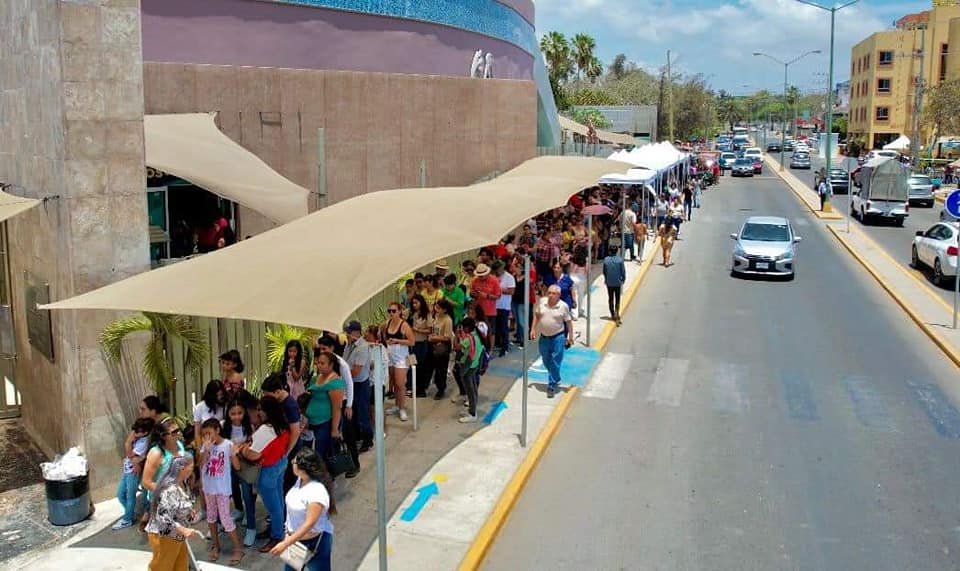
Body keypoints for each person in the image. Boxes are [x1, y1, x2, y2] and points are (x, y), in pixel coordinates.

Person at [238, 395, 291, 553]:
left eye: (261, 409)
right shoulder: (282, 426)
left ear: (268, 411)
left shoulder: (264, 430)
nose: (258, 412)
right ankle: (278, 528)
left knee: (273, 506)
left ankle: (276, 536)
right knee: (279, 500)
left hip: (268, 470)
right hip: (281, 463)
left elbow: (253, 454)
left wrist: (241, 449)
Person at [270, 448, 335, 571]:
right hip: (296, 542)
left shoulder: (316, 491)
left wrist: (285, 543)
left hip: (313, 543)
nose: (291, 462)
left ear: (302, 468)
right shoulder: (301, 480)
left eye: (294, 461)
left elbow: (309, 524)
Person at [145, 454, 202, 571]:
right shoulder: (169, 489)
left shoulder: (183, 484)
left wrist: (189, 513)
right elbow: (163, 518)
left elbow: (180, 505)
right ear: (182, 468)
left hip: (176, 535)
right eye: (191, 465)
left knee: (181, 566)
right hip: (164, 535)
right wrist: (183, 530)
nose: (193, 468)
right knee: (163, 568)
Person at [198, 418, 243, 565]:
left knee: (225, 518)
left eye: (209, 433)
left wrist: (235, 454)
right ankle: (215, 545)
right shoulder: (205, 447)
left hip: (222, 489)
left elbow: (237, 467)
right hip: (208, 488)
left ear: (217, 430)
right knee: (211, 517)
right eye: (204, 435)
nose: (207, 437)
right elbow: (200, 464)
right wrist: (206, 449)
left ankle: (238, 549)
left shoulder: (228, 445)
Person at [222, 399, 258, 547]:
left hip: (244, 466)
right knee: (233, 489)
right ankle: (238, 509)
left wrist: (243, 446)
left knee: (248, 495)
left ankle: (251, 527)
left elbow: (254, 444)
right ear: (228, 414)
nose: (236, 417)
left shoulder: (249, 426)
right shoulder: (223, 426)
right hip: (228, 466)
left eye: (240, 413)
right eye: (233, 414)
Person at [140, 417, 187, 532]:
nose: (179, 433)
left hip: (176, 499)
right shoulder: (156, 453)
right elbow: (146, 482)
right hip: (160, 501)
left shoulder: (179, 446)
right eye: (174, 432)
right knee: (166, 539)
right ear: (163, 435)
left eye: (178, 430)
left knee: (179, 538)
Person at [530, 285, 574, 399]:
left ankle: (551, 385)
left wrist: (570, 337)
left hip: (558, 337)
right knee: (546, 359)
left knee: (555, 361)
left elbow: (568, 322)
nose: (550, 295)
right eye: (549, 292)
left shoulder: (563, 306)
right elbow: (537, 315)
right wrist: (533, 329)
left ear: (558, 295)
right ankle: (556, 375)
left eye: (553, 293)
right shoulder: (542, 302)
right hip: (544, 337)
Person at [113, 417, 155, 530]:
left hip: (132, 471)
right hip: (128, 469)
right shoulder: (138, 435)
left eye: (138, 432)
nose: (135, 433)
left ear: (145, 432)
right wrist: (130, 451)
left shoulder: (143, 442)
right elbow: (129, 450)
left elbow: (131, 453)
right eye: (135, 431)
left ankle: (127, 519)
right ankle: (130, 514)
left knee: (129, 496)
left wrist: (129, 447)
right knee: (120, 494)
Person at [305, 352, 345, 461]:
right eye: (318, 363)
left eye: (322, 363)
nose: (319, 365)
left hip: (326, 422)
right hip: (314, 422)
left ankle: (324, 476)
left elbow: (337, 408)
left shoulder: (335, 382)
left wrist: (334, 429)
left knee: (321, 453)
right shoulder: (318, 377)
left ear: (331, 365)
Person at [343, 321, 373, 454]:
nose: (347, 335)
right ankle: (357, 436)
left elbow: (356, 371)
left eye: (349, 332)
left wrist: (342, 372)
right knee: (353, 412)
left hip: (360, 384)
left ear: (356, 332)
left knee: (362, 412)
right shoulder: (348, 345)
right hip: (350, 383)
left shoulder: (362, 347)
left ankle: (368, 439)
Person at [382, 302, 414, 421]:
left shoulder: (404, 325)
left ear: (400, 311)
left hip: (401, 356)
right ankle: (396, 405)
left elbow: (412, 341)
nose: (391, 313)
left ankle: (402, 408)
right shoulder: (387, 323)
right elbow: (383, 335)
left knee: (400, 384)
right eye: (389, 311)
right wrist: (388, 341)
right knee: (394, 382)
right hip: (390, 355)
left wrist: (397, 340)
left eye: (394, 311)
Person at [426, 299, 455, 401]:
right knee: (432, 367)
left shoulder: (447, 320)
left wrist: (435, 338)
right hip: (434, 345)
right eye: (436, 307)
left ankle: (441, 389)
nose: (436, 309)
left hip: (442, 347)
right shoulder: (437, 317)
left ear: (445, 310)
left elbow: (447, 337)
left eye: (439, 308)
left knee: (441, 370)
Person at [455, 318, 483, 423]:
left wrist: (457, 336)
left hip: (468, 365)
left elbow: (457, 347)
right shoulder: (477, 335)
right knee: (473, 388)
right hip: (475, 364)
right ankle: (472, 409)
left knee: (470, 390)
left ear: (466, 327)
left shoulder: (468, 339)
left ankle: (472, 413)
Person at [408, 295, 433, 398]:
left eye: (416, 303)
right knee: (412, 365)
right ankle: (413, 387)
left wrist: (417, 330)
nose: (414, 305)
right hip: (412, 343)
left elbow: (429, 330)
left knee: (420, 367)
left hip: (421, 343)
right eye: (413, 303)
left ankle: (421, 389)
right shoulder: (412, 314)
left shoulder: (426, 314)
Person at [492, 260, 515, 357]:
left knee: (503, 327)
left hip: (504, 305)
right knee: (495, 326)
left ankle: (505, 346)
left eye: (498, 270)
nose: (497, 272)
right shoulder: (493, 277)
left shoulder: (509, 277)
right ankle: (497, 343)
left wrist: (499, 290)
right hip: (494, 305)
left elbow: (511, 291)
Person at [192, 380, 225, 445]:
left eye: (221, 395)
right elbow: (197, 433)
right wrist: (200, 449)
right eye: (216, 396)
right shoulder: (199, 407)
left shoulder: (224, 406)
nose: (219, 398)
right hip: (206, 442)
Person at [469, 264, 501, 330]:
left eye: (482, 276)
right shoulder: (474, 280)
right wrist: (473, 294)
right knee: (478, 330)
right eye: (479, 276)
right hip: (478, 310)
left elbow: (498, 296)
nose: (480, 277)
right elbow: (471, 293)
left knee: (491, 331)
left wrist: (487, 296)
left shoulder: (494, 281)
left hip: (490, 311)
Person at [603, 249, 627, 326]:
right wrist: (623, 279)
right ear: (616, 251)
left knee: (610, 298)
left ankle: (612, 313)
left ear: (610, 251)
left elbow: (604, 271)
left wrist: (606, 278)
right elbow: (623, 271)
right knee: (617, 299)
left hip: (609, 282)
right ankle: (617, 313)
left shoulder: (606, 260)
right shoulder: (620, 260)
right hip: (617, 282)